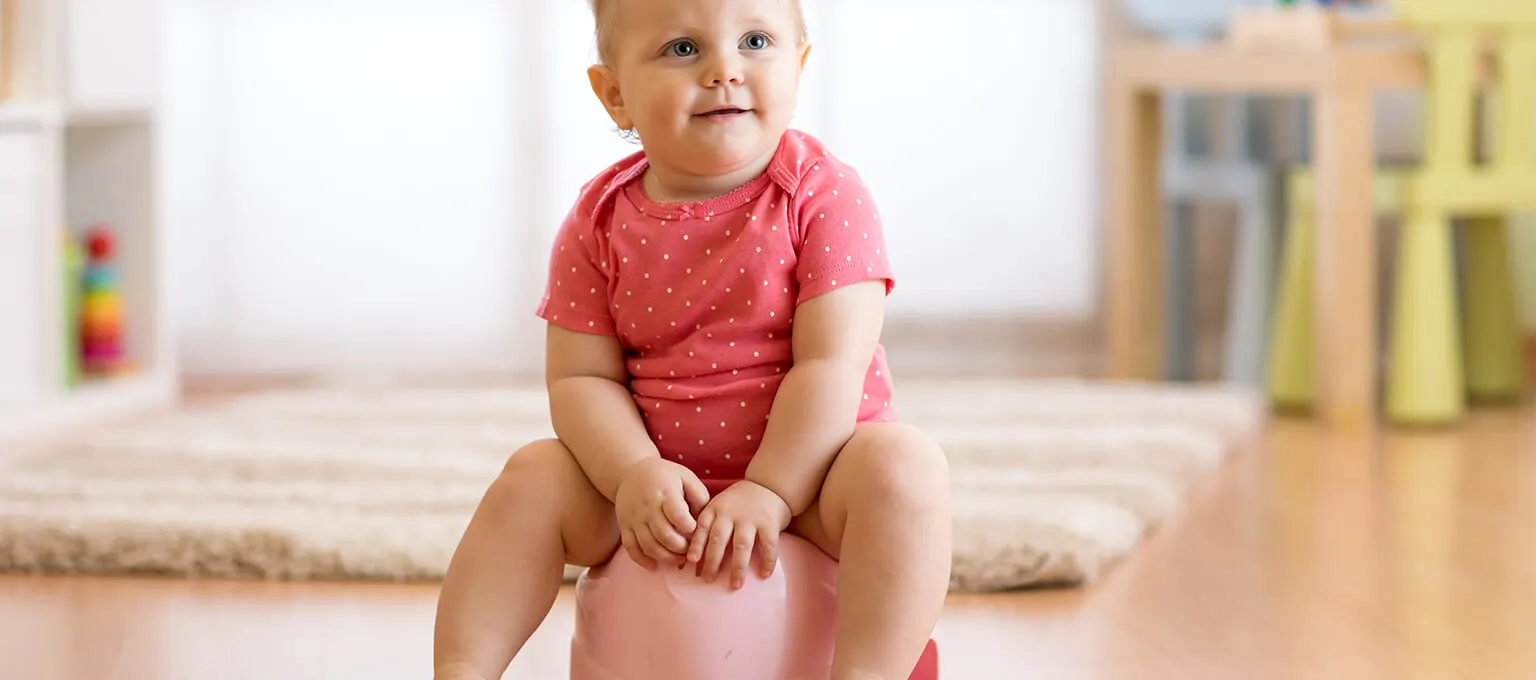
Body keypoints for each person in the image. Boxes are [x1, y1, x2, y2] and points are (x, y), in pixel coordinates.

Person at [433, 0, 951, 678]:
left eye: (756, 41)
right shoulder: (598, 222)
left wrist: (771, 490)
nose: (725, 71)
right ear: (615, 94)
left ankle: (865, 671)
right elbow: (581, 380)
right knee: (532, 477)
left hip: (817, 483)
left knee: (904, 468)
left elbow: (832, 364)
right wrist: (632, 474)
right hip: (655, 492)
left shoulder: (825, 197)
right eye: (683, 49)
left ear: (798, 66)